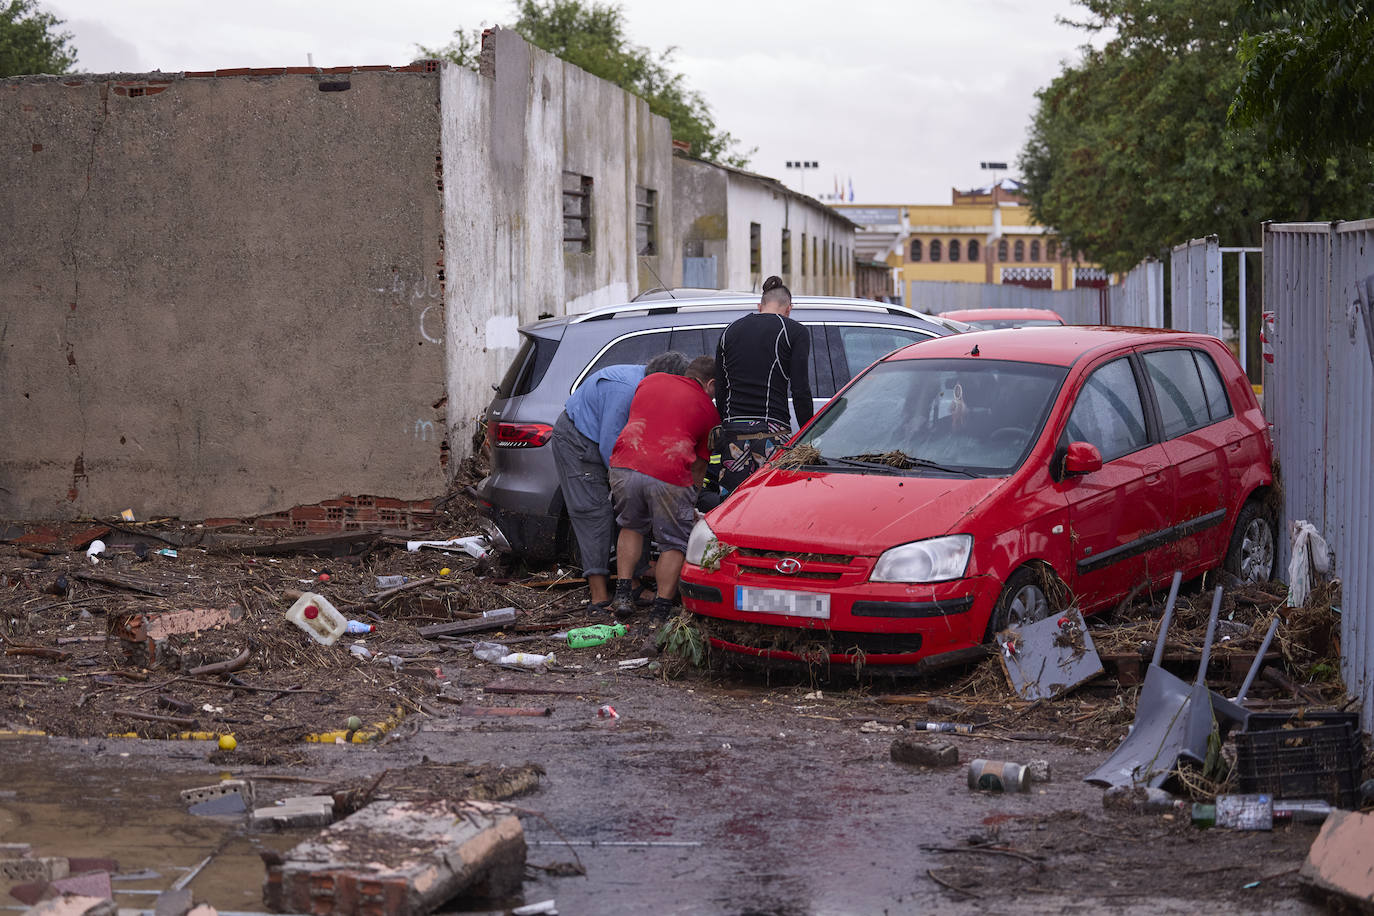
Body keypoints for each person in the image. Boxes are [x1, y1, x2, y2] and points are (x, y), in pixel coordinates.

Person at [551, 351, 690, 609]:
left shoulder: (653, 391)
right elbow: (609, 445)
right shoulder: (625, 390)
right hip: (579, 441)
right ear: (663, 380)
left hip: (612, 447)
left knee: (634, 508)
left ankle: (632, 586)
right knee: (594, 513)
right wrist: (626, 485)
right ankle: (599, 595)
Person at [608, 355, 720, 620]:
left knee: (631, 526)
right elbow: (700, 466)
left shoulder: (651, 381)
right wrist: (689, 502)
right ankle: (660, 610)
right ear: (710, 384)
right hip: (668, 471)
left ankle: (623, 594)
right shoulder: (709, 410)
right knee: (673, 541)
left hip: (625, 464)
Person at [713, 275, 813, 494]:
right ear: (789, 309)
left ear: (760, 306)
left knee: (732, 504)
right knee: (770, 503)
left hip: (733, 435)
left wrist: (726, 425)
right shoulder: (794, 331)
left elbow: (721, 389)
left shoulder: (730, 331)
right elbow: (800, 390)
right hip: (771, 433)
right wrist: (809, 432)